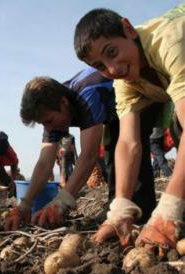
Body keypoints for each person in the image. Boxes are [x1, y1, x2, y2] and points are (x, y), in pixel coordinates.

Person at [74, 4, 185, 252]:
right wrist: (120, 209)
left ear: (128, 29)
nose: (112, 69)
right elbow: (128, 143)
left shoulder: (170, 42)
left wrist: (169, 208)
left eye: (111, 52)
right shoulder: (124, 81)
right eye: (101, 66)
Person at [5, 67, 155, 231]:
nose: (48, 128)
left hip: (138, 94)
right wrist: (24, 205)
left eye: (49, 121)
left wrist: (61, 203)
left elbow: (89, 155)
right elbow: (44, 162)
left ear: (64, 103)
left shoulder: (87, 94)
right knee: (112, 159)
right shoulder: (52, 108)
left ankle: (141, 215)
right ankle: (116, 207)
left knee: (128, 155)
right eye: (43, 124)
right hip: (113, 112)